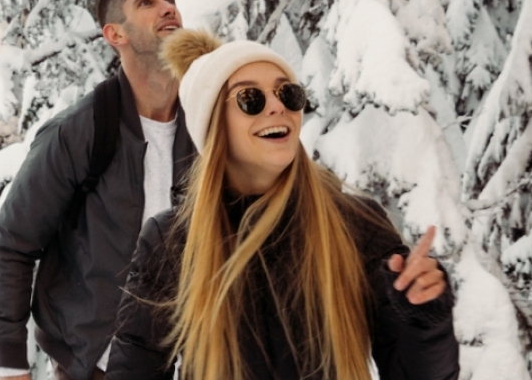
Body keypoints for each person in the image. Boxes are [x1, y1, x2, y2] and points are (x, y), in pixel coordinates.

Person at [104, 29, 456, 379]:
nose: (277, 106)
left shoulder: (355, 225)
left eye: (288, 93)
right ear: (214, 126)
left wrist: (424, 321)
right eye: (250, 99)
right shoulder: (171, 243)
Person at [0, 0, 195, 380]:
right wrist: (10, 364)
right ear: (115, 34)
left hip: (194, 363)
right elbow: (12, 245)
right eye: (147, 2)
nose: (167, 7)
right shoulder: (79, 131)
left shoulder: (207, 125)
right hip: (99, 363)